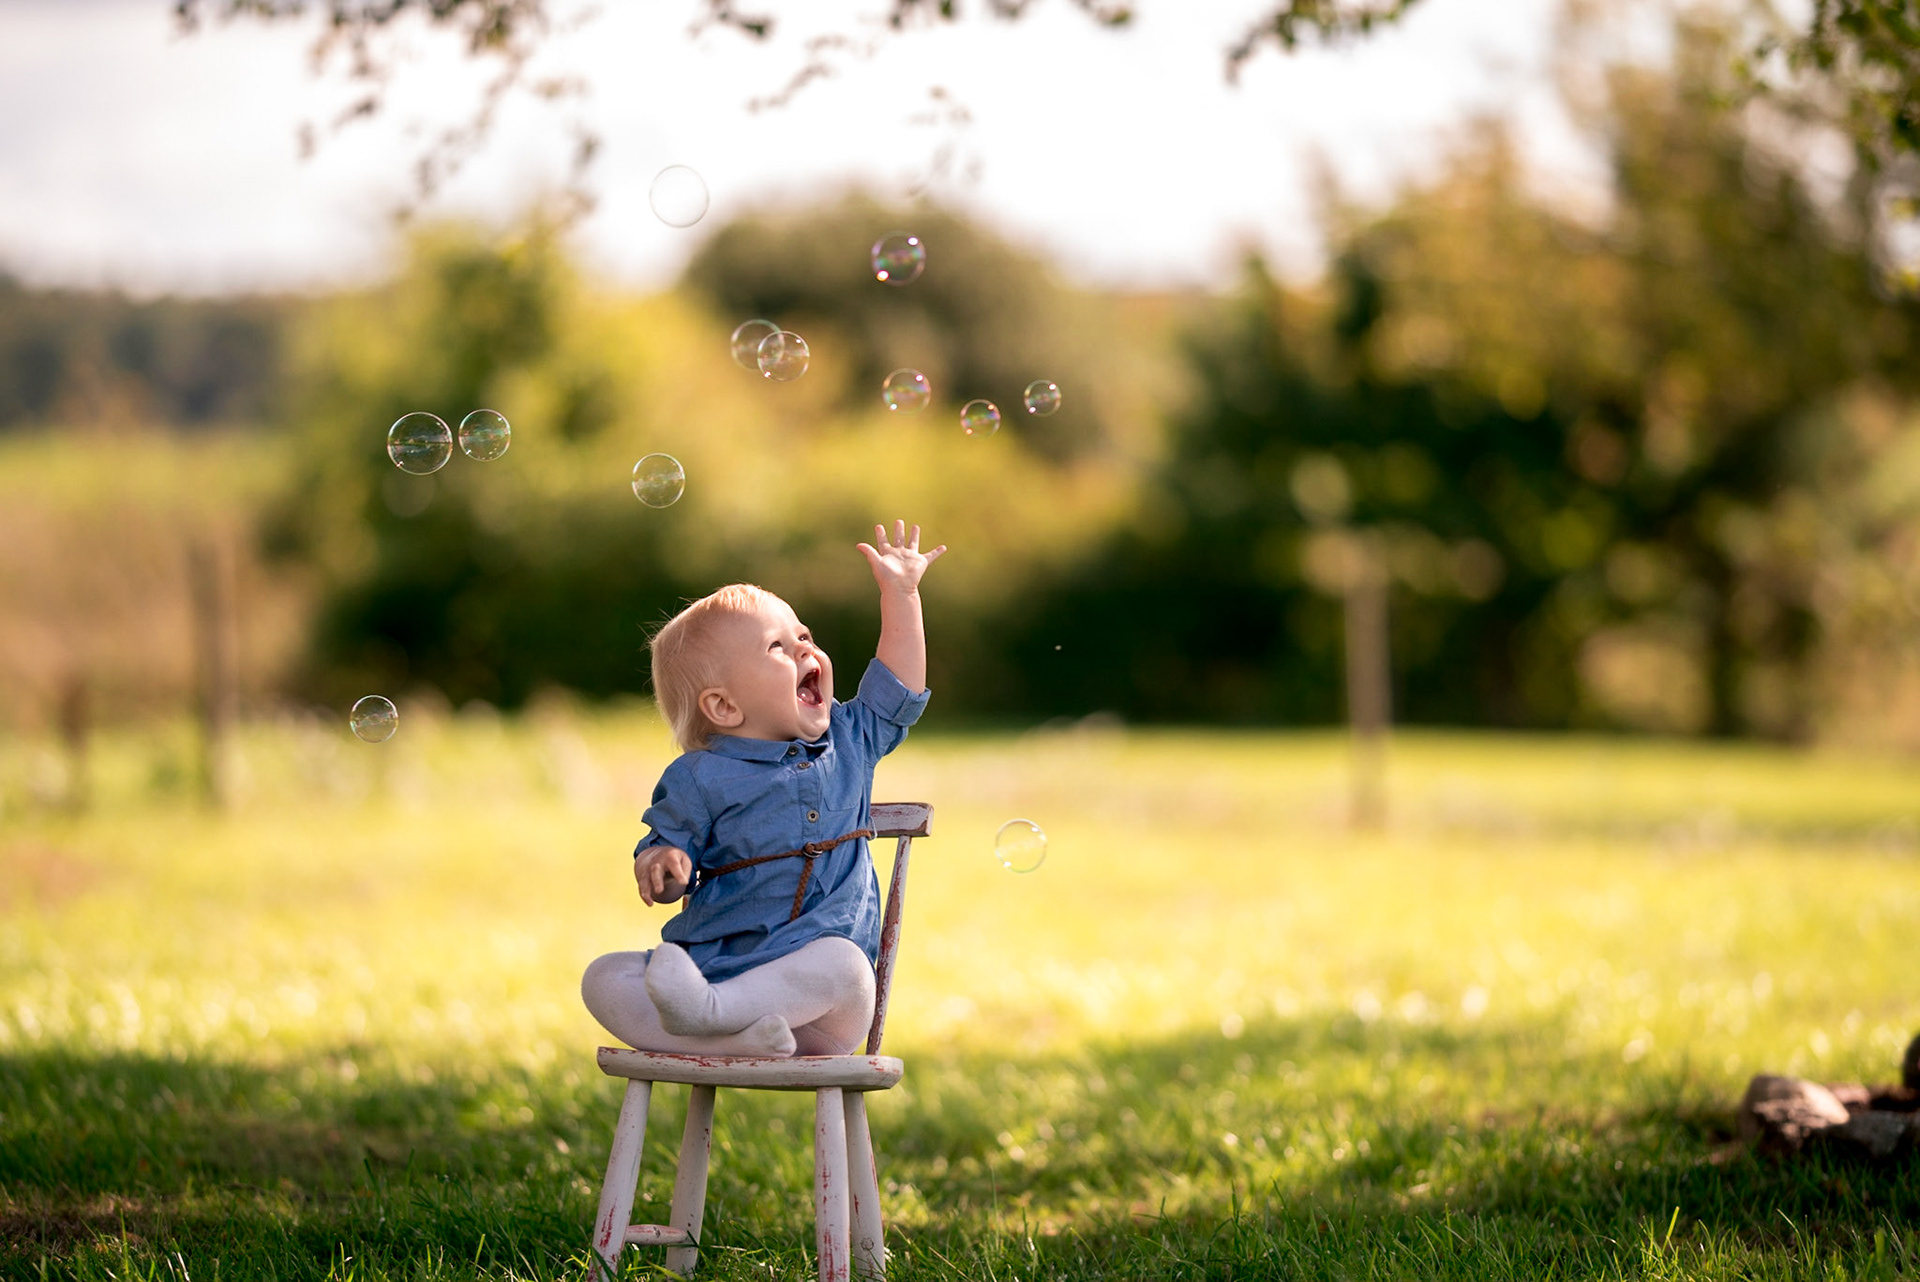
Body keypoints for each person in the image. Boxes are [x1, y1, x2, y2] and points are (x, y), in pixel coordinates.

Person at [581, 521, 945, 1057]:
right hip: (719, 967)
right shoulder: (699, 776)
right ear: (724, 707)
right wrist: (663, 866)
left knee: (846, 965)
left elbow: (899, 685)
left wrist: (902, 595)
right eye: (778, 646)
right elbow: (667, 860)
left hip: (819, 1007)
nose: (804, 649)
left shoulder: (849, 740)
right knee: (604, 976)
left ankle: (714, 1022)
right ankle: (736, 1036)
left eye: (805, 637)